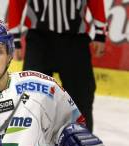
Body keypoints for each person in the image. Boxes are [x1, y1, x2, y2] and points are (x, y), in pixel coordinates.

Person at [8, 0, 107, 132]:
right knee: (31, 98)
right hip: (39, 41)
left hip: (75, 40)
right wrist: (14, 37)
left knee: (81, 98)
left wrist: (100, 32)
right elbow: (16, 2)